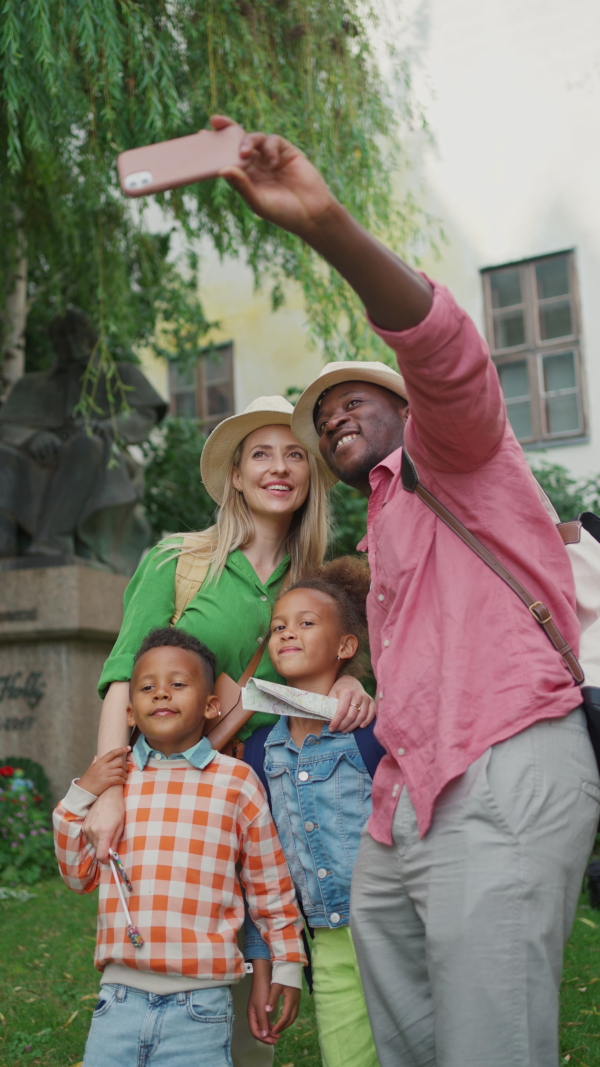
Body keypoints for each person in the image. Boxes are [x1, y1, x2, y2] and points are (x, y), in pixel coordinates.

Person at [213, 114, 600, 1067]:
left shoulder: (457, 454)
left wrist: (325, 226)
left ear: (407, 409)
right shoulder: (383, 530)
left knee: (489, 1046)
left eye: (358, 399)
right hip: (406, 797)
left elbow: (447, 351)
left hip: (503, 765)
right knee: (409, 1042)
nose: (335, 412)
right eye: (322, 413)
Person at [86, 395, 374, 1067]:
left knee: (261, 969)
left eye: (296, 454)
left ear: (310, 475)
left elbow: (328, 674)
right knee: (182, 954)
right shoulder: (178, 561)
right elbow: (122, 676)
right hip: (180, 794)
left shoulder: (312, 588)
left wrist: (353, 682)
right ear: (236, 476)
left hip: (279, 789)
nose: (280, 468)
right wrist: (108, 788)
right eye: (262, 455)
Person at [53, 628, 305, 1067]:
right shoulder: (114, 782)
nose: (161, 693)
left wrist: (286, 965)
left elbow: (270, 886)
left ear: (211, 705)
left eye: (178, 684)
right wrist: (81, 795)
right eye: (147, 687)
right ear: (130, 713)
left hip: (201, 1007)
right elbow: (78, 876)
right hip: (117, 1001)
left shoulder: (236, 782)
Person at [243, 557, 384, 1067]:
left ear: (346, 647)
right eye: (278, 626)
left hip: (394, 928)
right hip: (325, 942)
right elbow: (259, 867)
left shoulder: (372, 733)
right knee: (346, 1057)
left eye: (306, 623)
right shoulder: (260, 751)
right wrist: (272, 960)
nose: (287, 633)